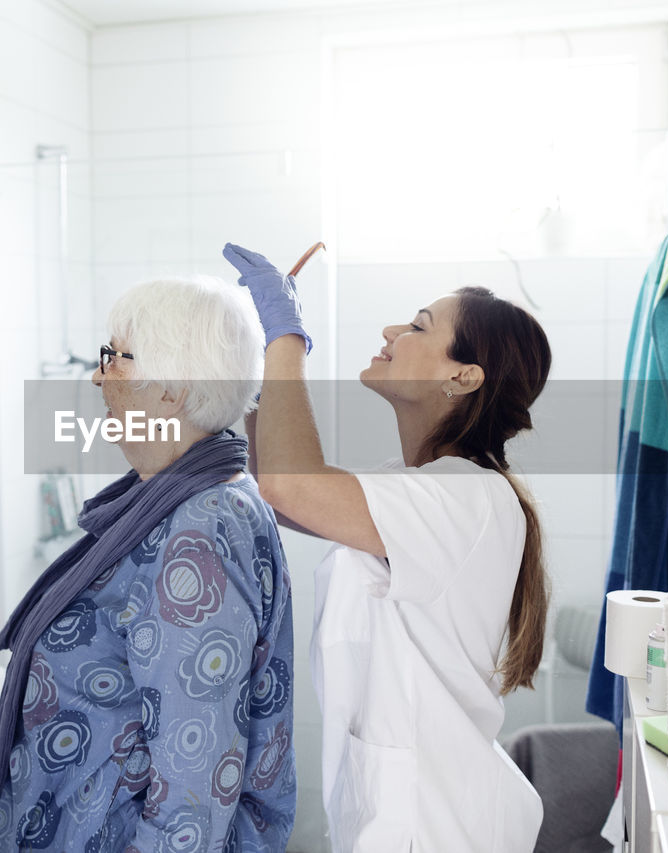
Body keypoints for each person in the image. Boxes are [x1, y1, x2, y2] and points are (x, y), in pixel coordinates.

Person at [223, 243, 551, 852]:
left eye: (420, 326)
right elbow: (282, 491)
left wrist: (287, 338)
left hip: (439, 826)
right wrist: (258, 361)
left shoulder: (469, 497)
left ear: (463, 375)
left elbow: (291, 485)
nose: (391, 330)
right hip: (400, 811)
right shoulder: (421, 487)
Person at [0, 277, 296, 853]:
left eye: (114, 358)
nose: (98, 376)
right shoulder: (190, 500)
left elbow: (194, 784)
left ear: (172, 389)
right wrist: (34, 757)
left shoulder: (199, 530)